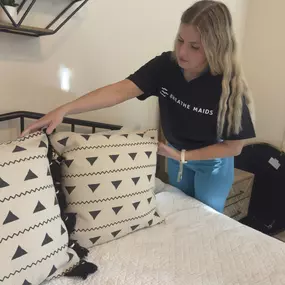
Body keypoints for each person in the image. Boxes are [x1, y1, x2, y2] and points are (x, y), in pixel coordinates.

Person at [22, 0, 256, 213]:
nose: (182, 52)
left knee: (205, 219)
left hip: (210, 161)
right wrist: (64, 109)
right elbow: (120, 90)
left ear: (216, 47)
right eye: (180, 41)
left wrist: (184, 155)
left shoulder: (227, 86)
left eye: (195, 47)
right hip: (175, 155)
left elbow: (234, 148)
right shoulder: (167, 66)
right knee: (180, 211)